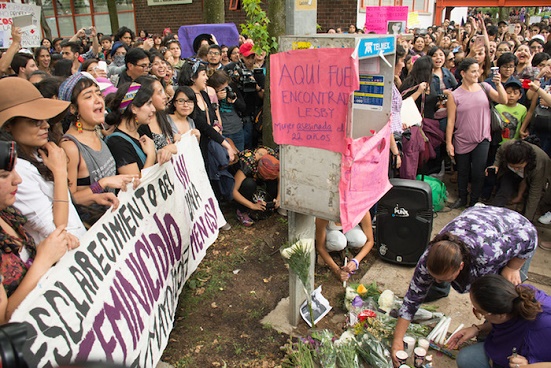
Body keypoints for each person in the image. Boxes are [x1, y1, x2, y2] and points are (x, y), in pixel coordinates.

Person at [391, 204, 537, 367]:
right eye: (435, 277)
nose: (437, 281)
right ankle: (487, 327)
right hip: (477, 220)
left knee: (500, 299)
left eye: (445, 278)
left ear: (460, 266)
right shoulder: (429, 258)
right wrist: (397, 340)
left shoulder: (488, 255)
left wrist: (513, 267)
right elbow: (412, 299)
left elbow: (529, 234)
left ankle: (492, 334)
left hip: (515, 233)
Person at [0, 77, 85, 244]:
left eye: (45, 119)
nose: (45, 125)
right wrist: (60, 172)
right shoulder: (16, 171)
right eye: (34, 121)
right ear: (8, 126)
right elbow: (57, 230)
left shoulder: (39, 154)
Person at [0, 141, 76, 323]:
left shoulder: (8, 213)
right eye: (4, 175)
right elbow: (4, 321)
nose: (17, 180)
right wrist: (44, 260)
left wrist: (51, 247)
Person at [58, 73, 136, 226]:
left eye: (98, 93)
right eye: (88, 96)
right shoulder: (70, 147)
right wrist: (102, 183)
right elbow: (70, 198)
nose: (98, 99)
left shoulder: (96, 131)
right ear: (73, 109)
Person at [448, 275, 551, 368]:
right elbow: (507, 322)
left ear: (500, 315)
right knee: (466, 358)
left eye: (480, 312)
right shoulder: (518, 296)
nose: (479, 315)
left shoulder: (543, 327)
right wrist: (478, 329)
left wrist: (527, 366)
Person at [446, 58, 507, 208]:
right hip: (461, 138)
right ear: (463, 73)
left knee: (479, 172)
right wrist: (449, 143)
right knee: (463, 172)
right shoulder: (454, 95)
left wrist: (498, 84)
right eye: (473, 71)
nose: (477, 73)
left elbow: (503, 100)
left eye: (478, 70)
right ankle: (462, 198)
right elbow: (450, 121)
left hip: (482, 138)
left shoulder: (484, 87)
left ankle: (474, 202)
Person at [104, 82, 172, 176]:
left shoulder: (142, 128)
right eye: (148, 104)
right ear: (133, 108)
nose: (153, 109)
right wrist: (151, 156)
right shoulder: (117, 143)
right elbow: (136, 186)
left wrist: (160, 154)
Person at [490, 139, 551, 224]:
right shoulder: (506, 147)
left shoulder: (539, 165)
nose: (515, 169)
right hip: (510, 172)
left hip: (533, 172)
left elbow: (535, 194)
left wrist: (527, 221)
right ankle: (490, 216)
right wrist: (496, 164)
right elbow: (499, 152)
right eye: (513, 166)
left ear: (526, 161)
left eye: (518, 167)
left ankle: (523, 220)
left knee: (530, 199)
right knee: (504, 191)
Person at [315, 211, 374, 282]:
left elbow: (370, 241)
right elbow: (320, 247)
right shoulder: (324, 214)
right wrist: (337, 270)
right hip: (330, 230)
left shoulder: (362, 210)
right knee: (339, 242)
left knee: (360, 239)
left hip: (349, 228)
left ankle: (346, 249)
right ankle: (326, 252)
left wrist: (356, 261)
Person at [232, 146, 279, 226]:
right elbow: (233, 191)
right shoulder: (248, 163)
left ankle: (268, 204)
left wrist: (279, 198)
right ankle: (242, 211)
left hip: (258, 176)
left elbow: (280, 179)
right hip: (244, 180)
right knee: (249, 184)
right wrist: (252, 205)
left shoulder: (273, 160)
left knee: (273, 182)